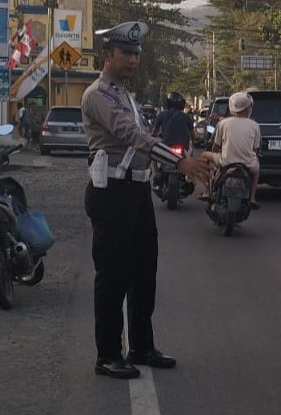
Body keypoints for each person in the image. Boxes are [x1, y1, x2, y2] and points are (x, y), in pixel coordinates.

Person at [81, 21, 204, 379]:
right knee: (113, 275)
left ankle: (141, 346)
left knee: (143, 272)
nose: (134, 60)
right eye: (127, 53)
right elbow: (131, 136)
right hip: (112, 194)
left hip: (137, 192)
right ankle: (107, 354)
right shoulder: (99, 95)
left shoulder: (124, 94)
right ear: (107, 55)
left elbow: (142, 136)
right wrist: (179, 162)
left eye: (137, 54)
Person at [200, 91, 261, 208]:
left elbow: (216, 146)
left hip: (226, 161)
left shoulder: (223, 123)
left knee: (203, 155)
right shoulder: (254, 125)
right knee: (257, 170)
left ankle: (207, 190)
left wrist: (215, 157)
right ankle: (252, 197)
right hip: (248, 163)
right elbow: (255, 150)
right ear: (248, 109)